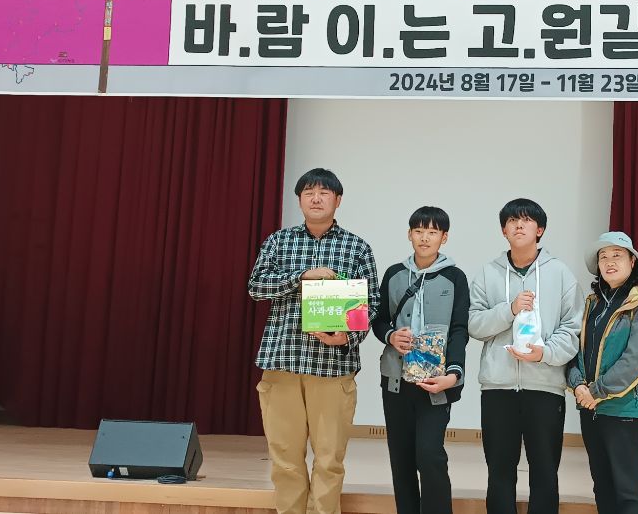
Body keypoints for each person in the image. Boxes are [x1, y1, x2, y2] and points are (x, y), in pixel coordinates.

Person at [248, 168, 380, 514]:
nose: (316, 198)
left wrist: (347, 335)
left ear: (338, 200)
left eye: (324, 193)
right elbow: (256, 286)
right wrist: (302, 276)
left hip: (332, 367)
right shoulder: (279, 241)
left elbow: (372, 304)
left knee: (329, 461)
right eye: (309, 192)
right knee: (285, 459)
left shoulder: (356, 247)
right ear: (300, 200)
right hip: (283, 363)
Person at [468, 198, 583, 514]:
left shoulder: (560, 273)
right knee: (499, 471)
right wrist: (509, 309)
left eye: (527, 220)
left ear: (539, 230)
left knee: (545, 471)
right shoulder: (488, 273)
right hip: (498, 388)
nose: (519, 225)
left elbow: (572, 328)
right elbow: (475, 324)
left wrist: (545, 353)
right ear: (504, 230)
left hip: (545, 387)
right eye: (512, 221)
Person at [371, 206, 470, 514]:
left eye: (432, 232)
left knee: (429, 455)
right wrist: (391, 336)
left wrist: (454, 372)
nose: (425, 238)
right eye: (419, 231)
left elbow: (459, 329)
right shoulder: (394, 274)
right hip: (396, 380)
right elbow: (378, 319)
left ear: (444, 237)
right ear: (409, 234)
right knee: (400, 460)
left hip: (435, 381)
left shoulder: (455, 277)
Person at [567, 232, 638, 514]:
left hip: (624, 410)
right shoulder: (591, 305)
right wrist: (578, 385)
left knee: (627, 488)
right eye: (603, 257)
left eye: (617, 256)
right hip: (590, 409)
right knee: (602, 485)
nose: (609, 262)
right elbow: (575, 352)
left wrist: (595, 392)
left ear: (632, 262)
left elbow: (635, 361)